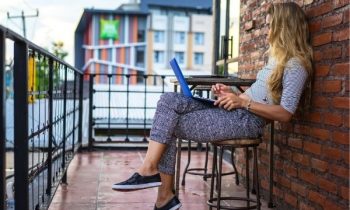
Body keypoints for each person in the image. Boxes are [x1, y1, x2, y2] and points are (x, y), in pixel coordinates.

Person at [112, 2, 313, 210]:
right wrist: (231, 94)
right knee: (168, 100)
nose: (267, 31)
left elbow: (286, 113)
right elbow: (256, 98)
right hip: (238, 112)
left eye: (271, 26)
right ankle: (154, 178)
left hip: (247, 121)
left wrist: (243, 102)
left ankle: (160, 189)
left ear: (284, 28)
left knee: (167, 124)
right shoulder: (276, 60)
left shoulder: (296, 65)